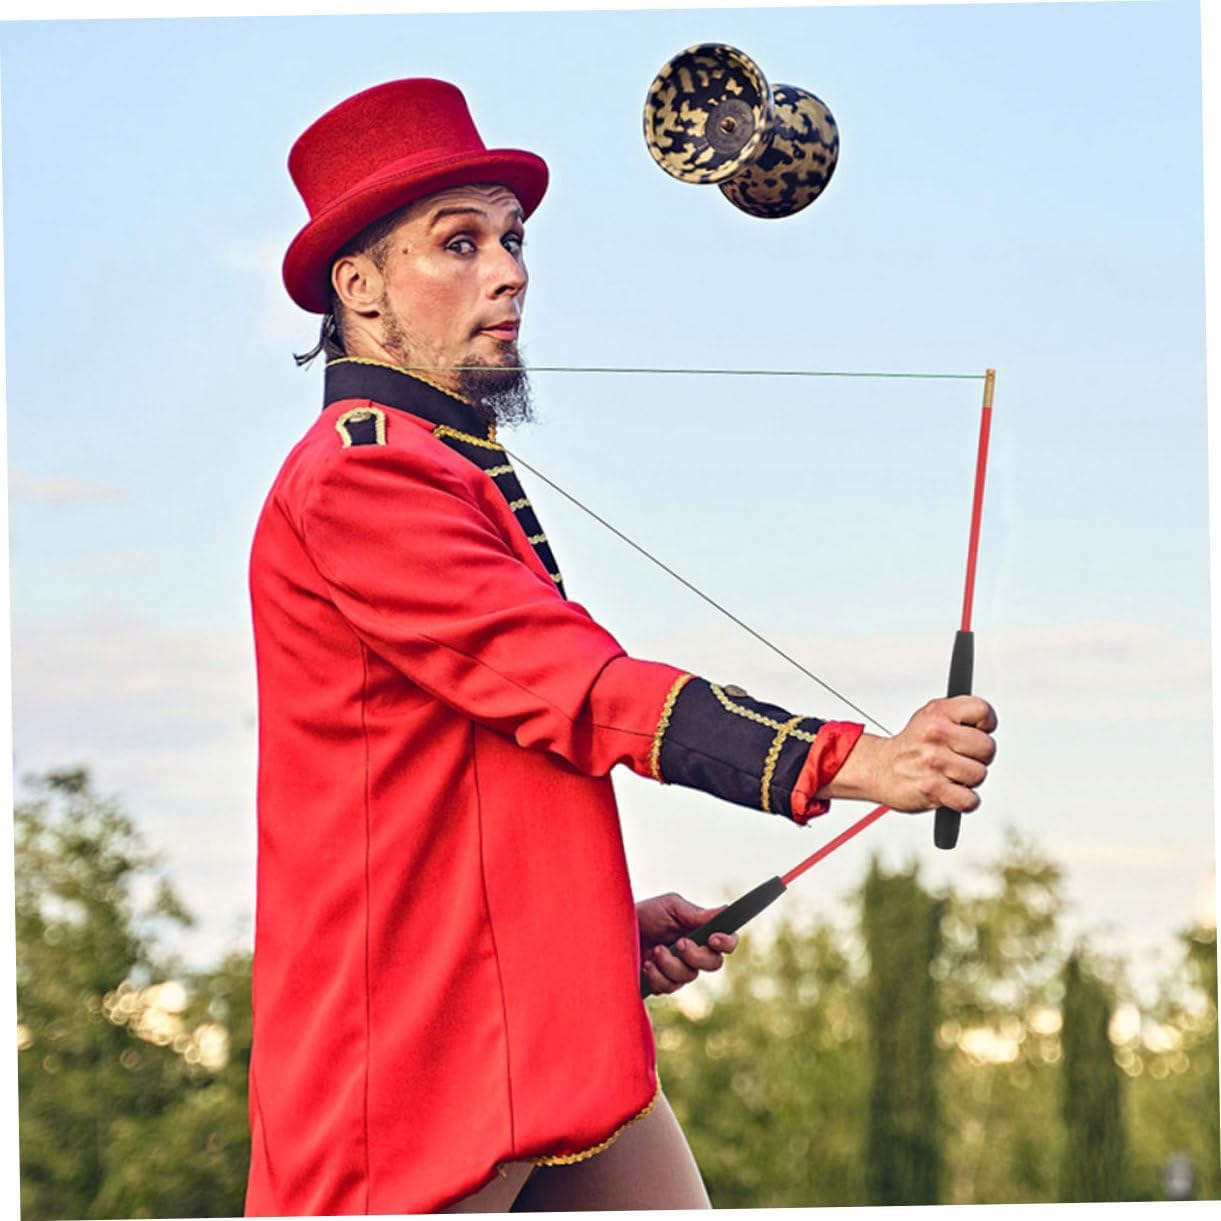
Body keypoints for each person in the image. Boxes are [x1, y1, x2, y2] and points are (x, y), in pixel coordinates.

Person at [246, 78, 997, 1216]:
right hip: (411, 1053)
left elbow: (488, 762)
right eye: (459, 242)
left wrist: (589, 931)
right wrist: (858, 761)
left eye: (512, 239)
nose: (510, 272)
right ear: (359, 287)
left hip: (528, 1015)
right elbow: (580, 690)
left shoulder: (433, 461)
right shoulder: (363, 475)